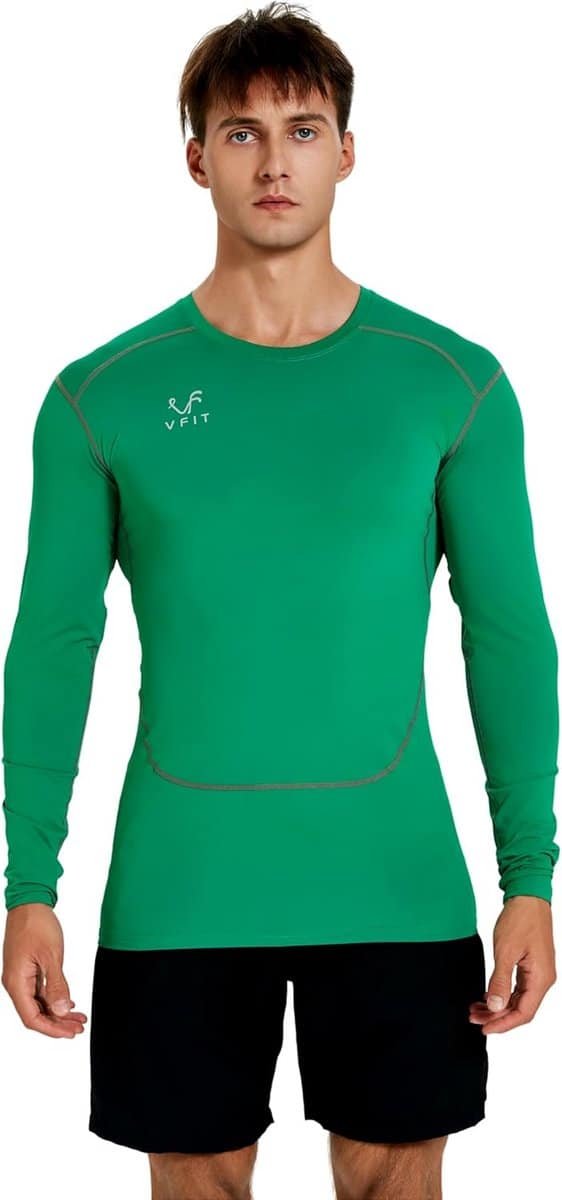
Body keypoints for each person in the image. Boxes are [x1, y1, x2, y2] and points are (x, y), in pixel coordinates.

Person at [1, 4, 559, 1198]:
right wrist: (29, 887)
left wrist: (531, 879)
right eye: (241, 132)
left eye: (302, 130)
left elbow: (509, 638)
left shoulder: (451, 384)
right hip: (181, 888)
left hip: (396, 881)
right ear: (195, 158)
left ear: (345, 152)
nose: (273, 161)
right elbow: (53, 645)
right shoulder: (103, 395)